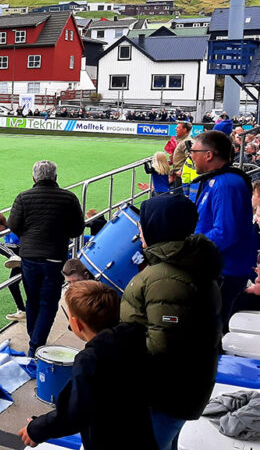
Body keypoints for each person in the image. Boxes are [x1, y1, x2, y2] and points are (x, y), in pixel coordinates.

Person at [120, 193, 222, 450]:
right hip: (180, 388)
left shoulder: (165, 278)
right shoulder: (185, 263)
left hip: (164, 394)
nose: (140, 230)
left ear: (158, 226)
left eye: (143, 223)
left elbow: (161, 347)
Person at [19, 281, 156, 450]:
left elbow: (74, 412)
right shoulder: (135, 337)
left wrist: (36, 428)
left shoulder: (91, 359)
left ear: (77, 324)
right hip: (141, 436)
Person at [8, 160, 85, 356]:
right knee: (48, 303)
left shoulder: (23, 198)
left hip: (30, 257)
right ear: (56, 177)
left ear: (34, 177)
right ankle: (36, 345)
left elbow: (14, 225)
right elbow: (78, 229)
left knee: (33, 300)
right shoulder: (69, 198)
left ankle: (35, 343)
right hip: (55, 258)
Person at [190, 130, 255, 328]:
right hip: (220, 267)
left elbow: (225, 233)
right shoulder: (218, 180)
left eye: (193, 150)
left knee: (211, 329)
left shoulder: (226, 184)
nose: (191, 155)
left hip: (225, 271)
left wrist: (188, 250)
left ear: (208, 155)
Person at [0, 211, 26, 321]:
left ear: (1, 226)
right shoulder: (6, 233)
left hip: (23, 254)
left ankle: (13, 257)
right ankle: (22, 310)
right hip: (20, 260)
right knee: (12, 284)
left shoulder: (12, 228)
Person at [169, 121, 193, 194]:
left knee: (179, 197)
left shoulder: (187, 141)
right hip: (179, 174)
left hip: (181, 175)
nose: (176, 129)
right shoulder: (183, 141)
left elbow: (190, 158)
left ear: (184, 130)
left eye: (178, 127)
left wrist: (181, 170)